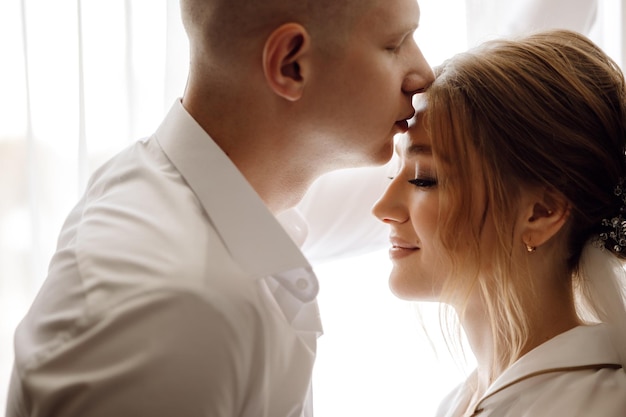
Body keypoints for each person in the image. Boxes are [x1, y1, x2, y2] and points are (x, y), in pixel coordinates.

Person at [6, 0, 434, 416]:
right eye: (396, 44)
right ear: (291, 65)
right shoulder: (169, 311)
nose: (424, 74)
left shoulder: (212, 189)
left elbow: (440, 202)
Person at [373, 29, 626, 416]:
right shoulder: (457, 404)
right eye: (394, 175)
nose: (382, 208)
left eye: (425, 178)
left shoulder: (603, 404)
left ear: (541, 212)